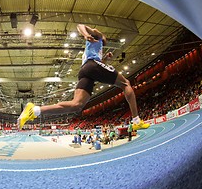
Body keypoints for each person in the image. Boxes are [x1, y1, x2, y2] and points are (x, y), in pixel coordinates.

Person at [17, 24, 150, 131]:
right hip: (91, 66)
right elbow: (80, 25)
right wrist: (87, 35)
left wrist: (105, 59)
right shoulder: (98, 37)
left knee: (77, 105)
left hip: (86, 71)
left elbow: (98, 67)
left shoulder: (98, 48)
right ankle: (136, 120)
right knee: (126, 84)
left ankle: (34, 110)